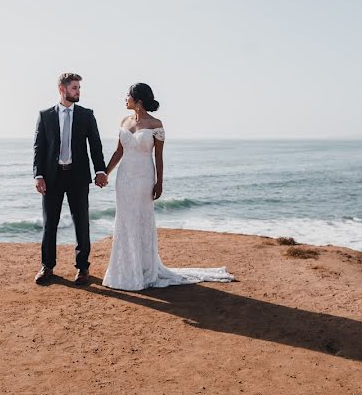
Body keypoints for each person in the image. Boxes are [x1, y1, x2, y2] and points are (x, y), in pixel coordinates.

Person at [102, 83, 235, 290]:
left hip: (144, 177)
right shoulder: (124, 121)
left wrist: (160, 182)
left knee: (142, 220)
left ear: (138, 100)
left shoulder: (156, 124)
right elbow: (118, 152)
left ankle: (145, 269)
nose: (124, 99)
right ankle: (125, 270)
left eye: (127, 96)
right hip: (124, 178)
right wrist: (105, 173)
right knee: (125, 221)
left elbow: (158, 157)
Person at [32, 72, 107, 286]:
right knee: (50, 224)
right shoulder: (45, 115)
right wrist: (38, 175)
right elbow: (39, 148)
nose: (78, 92)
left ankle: (82, 268)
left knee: (81, 223)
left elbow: (95, 145)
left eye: (79, 88)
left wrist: (100, 170)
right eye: (75, 88)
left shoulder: (86, 115)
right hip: (52, 177)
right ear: (62, 89)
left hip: (78, 176)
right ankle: (47, 267)